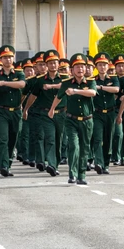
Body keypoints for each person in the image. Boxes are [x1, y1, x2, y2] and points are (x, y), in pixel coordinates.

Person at [49, 53, 96, 185]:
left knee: (85, 147)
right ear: (72, 70)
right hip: (71, 120)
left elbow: (92, 93)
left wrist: (76, 91)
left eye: (82, 67)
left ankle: (82, 175)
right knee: (74, 146)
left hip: (87, 120)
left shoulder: (91, 81)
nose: (80, 69)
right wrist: (52, 109)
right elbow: (58, 97)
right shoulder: (66, 83)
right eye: (77, 67)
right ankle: (72, 174)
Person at [0, 45, 26, 177]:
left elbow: (22, 84)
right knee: (3, 138)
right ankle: (4, 166)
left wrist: (3, 83)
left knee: (13, 138)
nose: (8, 60)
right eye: (5, 58)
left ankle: (7, 161)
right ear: (1, 59)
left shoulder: (19, 73)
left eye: (10, 57)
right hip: (0, 111)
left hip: (16, 111)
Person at [91, 52, 121, 174]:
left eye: (104, 65)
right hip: (97, 114)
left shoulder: (114, 79)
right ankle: (98, 162)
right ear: (96, 67)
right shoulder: (92, 80)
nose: (102, 67)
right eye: (100, 65)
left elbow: (116, 90)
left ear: (108, 66)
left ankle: (106, 165)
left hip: (110, 113)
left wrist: (101, 88)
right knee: (97, 138)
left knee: (108, 139)